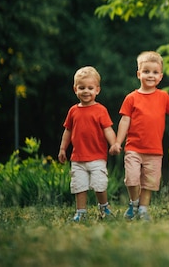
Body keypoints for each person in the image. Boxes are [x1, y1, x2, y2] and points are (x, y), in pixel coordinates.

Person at [109, 51, 169, 221]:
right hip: (133, 148)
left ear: (160, 77)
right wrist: (117, 142)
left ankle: (143, 209)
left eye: (154, 72)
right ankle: (134, 203)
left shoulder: (163, 97)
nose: (150, 75)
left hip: (154, 150)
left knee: (149, 183)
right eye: (146, 71)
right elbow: (124, 121)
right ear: (139, 74)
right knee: (132, 179)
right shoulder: (131, 98)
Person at [58, 66, 117, 222]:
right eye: (82, 87)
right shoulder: (73, 111)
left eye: (90, 88)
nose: (86, 91)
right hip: (77, 158)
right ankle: (81, 212)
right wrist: (63, 149)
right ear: (75, 89)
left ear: (97, 90)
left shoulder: (101, 110)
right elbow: (67, 132)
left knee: (99, 185)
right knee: (79, 186)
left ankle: (104, 207)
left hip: (97, 157)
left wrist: (114, 144)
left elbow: (108, 130)